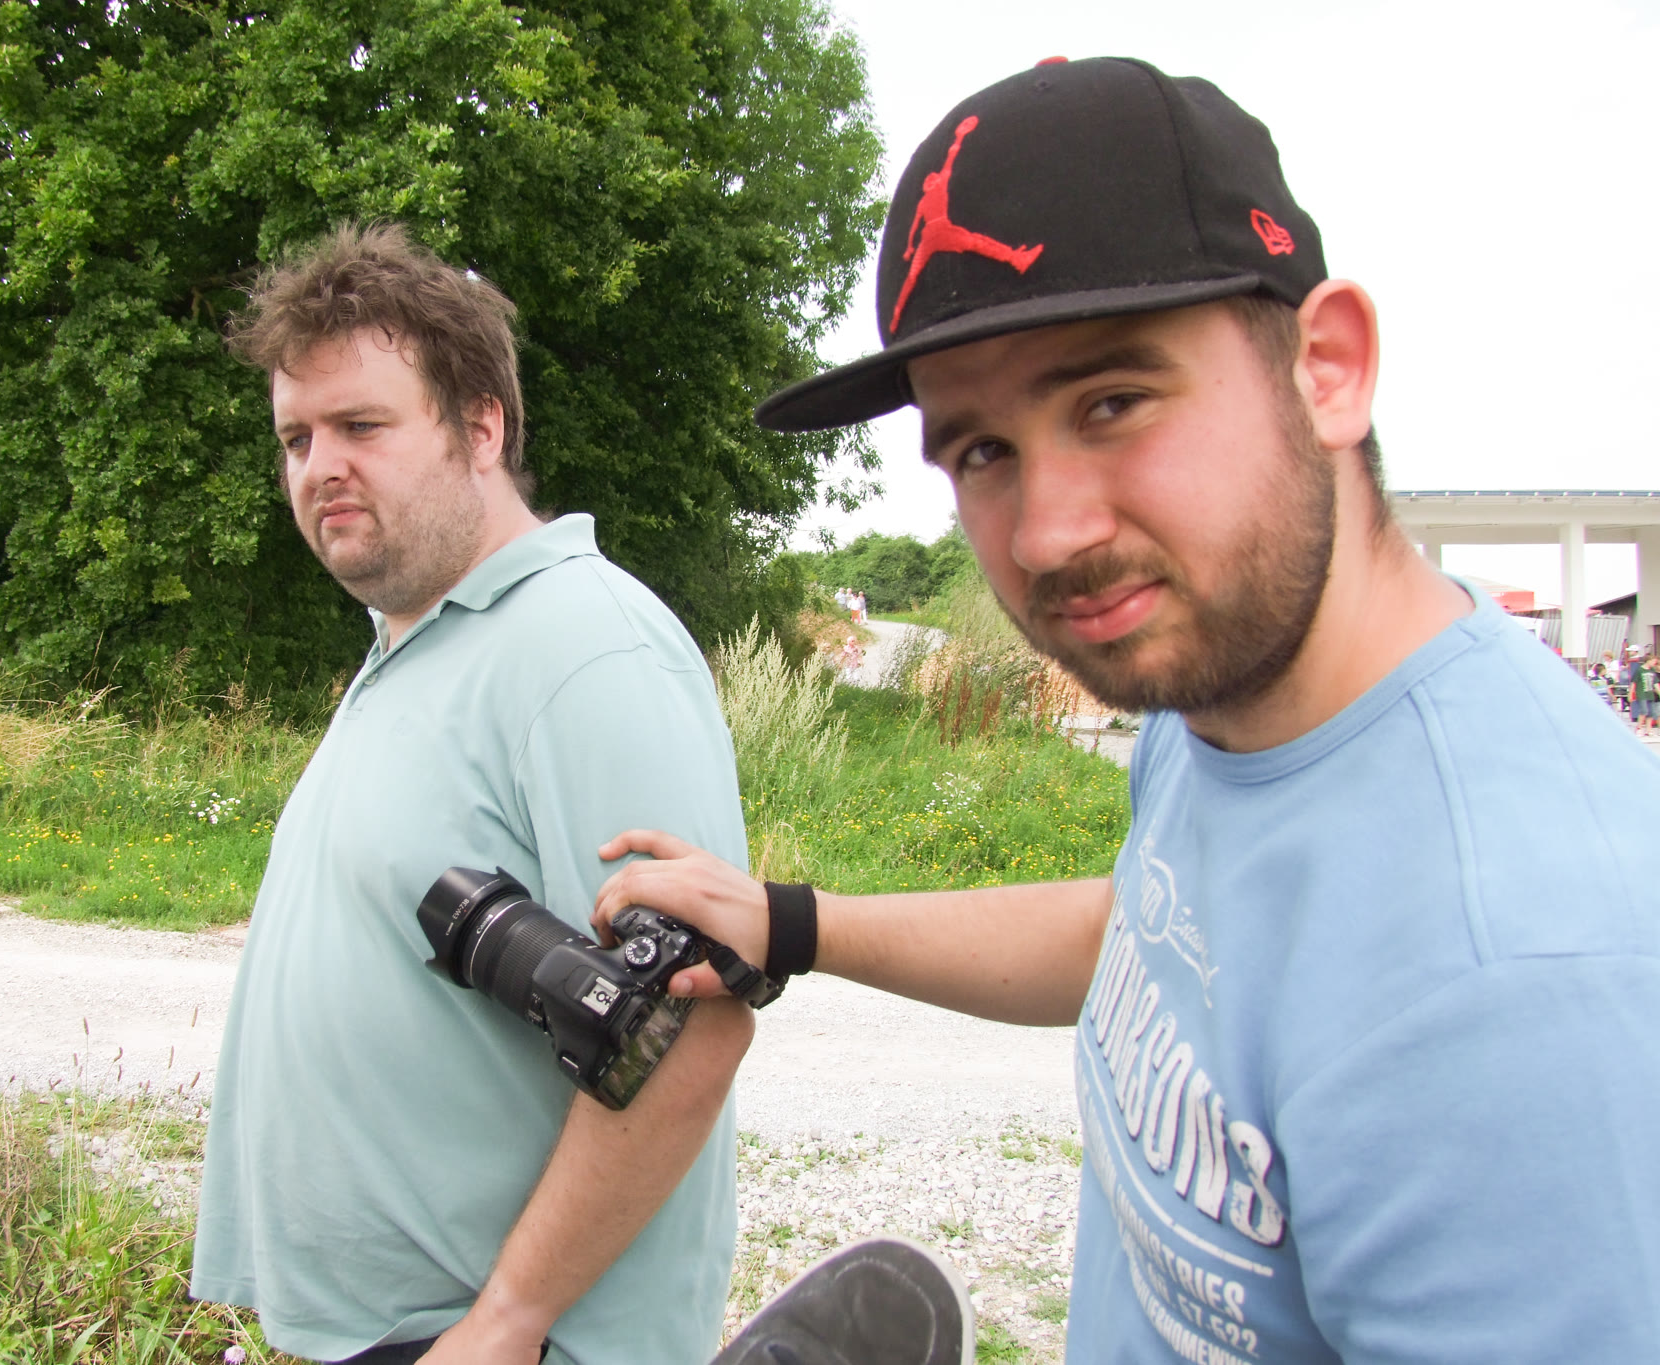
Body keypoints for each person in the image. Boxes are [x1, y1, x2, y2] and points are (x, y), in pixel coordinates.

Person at [593, 57, 1660, 1361]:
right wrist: (793, 922)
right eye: (982, 449)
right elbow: (1151, 932)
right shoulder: (1217, 692)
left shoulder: (1527, 985)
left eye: (1111, 402)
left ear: (1327, 368)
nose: (1046, 534)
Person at [189, 224, 755, 1365]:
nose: (318, 465)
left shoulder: (586, 648)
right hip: (390, 1330)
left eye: (361, 426)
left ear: (481, 427)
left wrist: (509, 1320)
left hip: (500, 1341)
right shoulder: (412, 641)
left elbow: (689, 1025)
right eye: (296, 436)